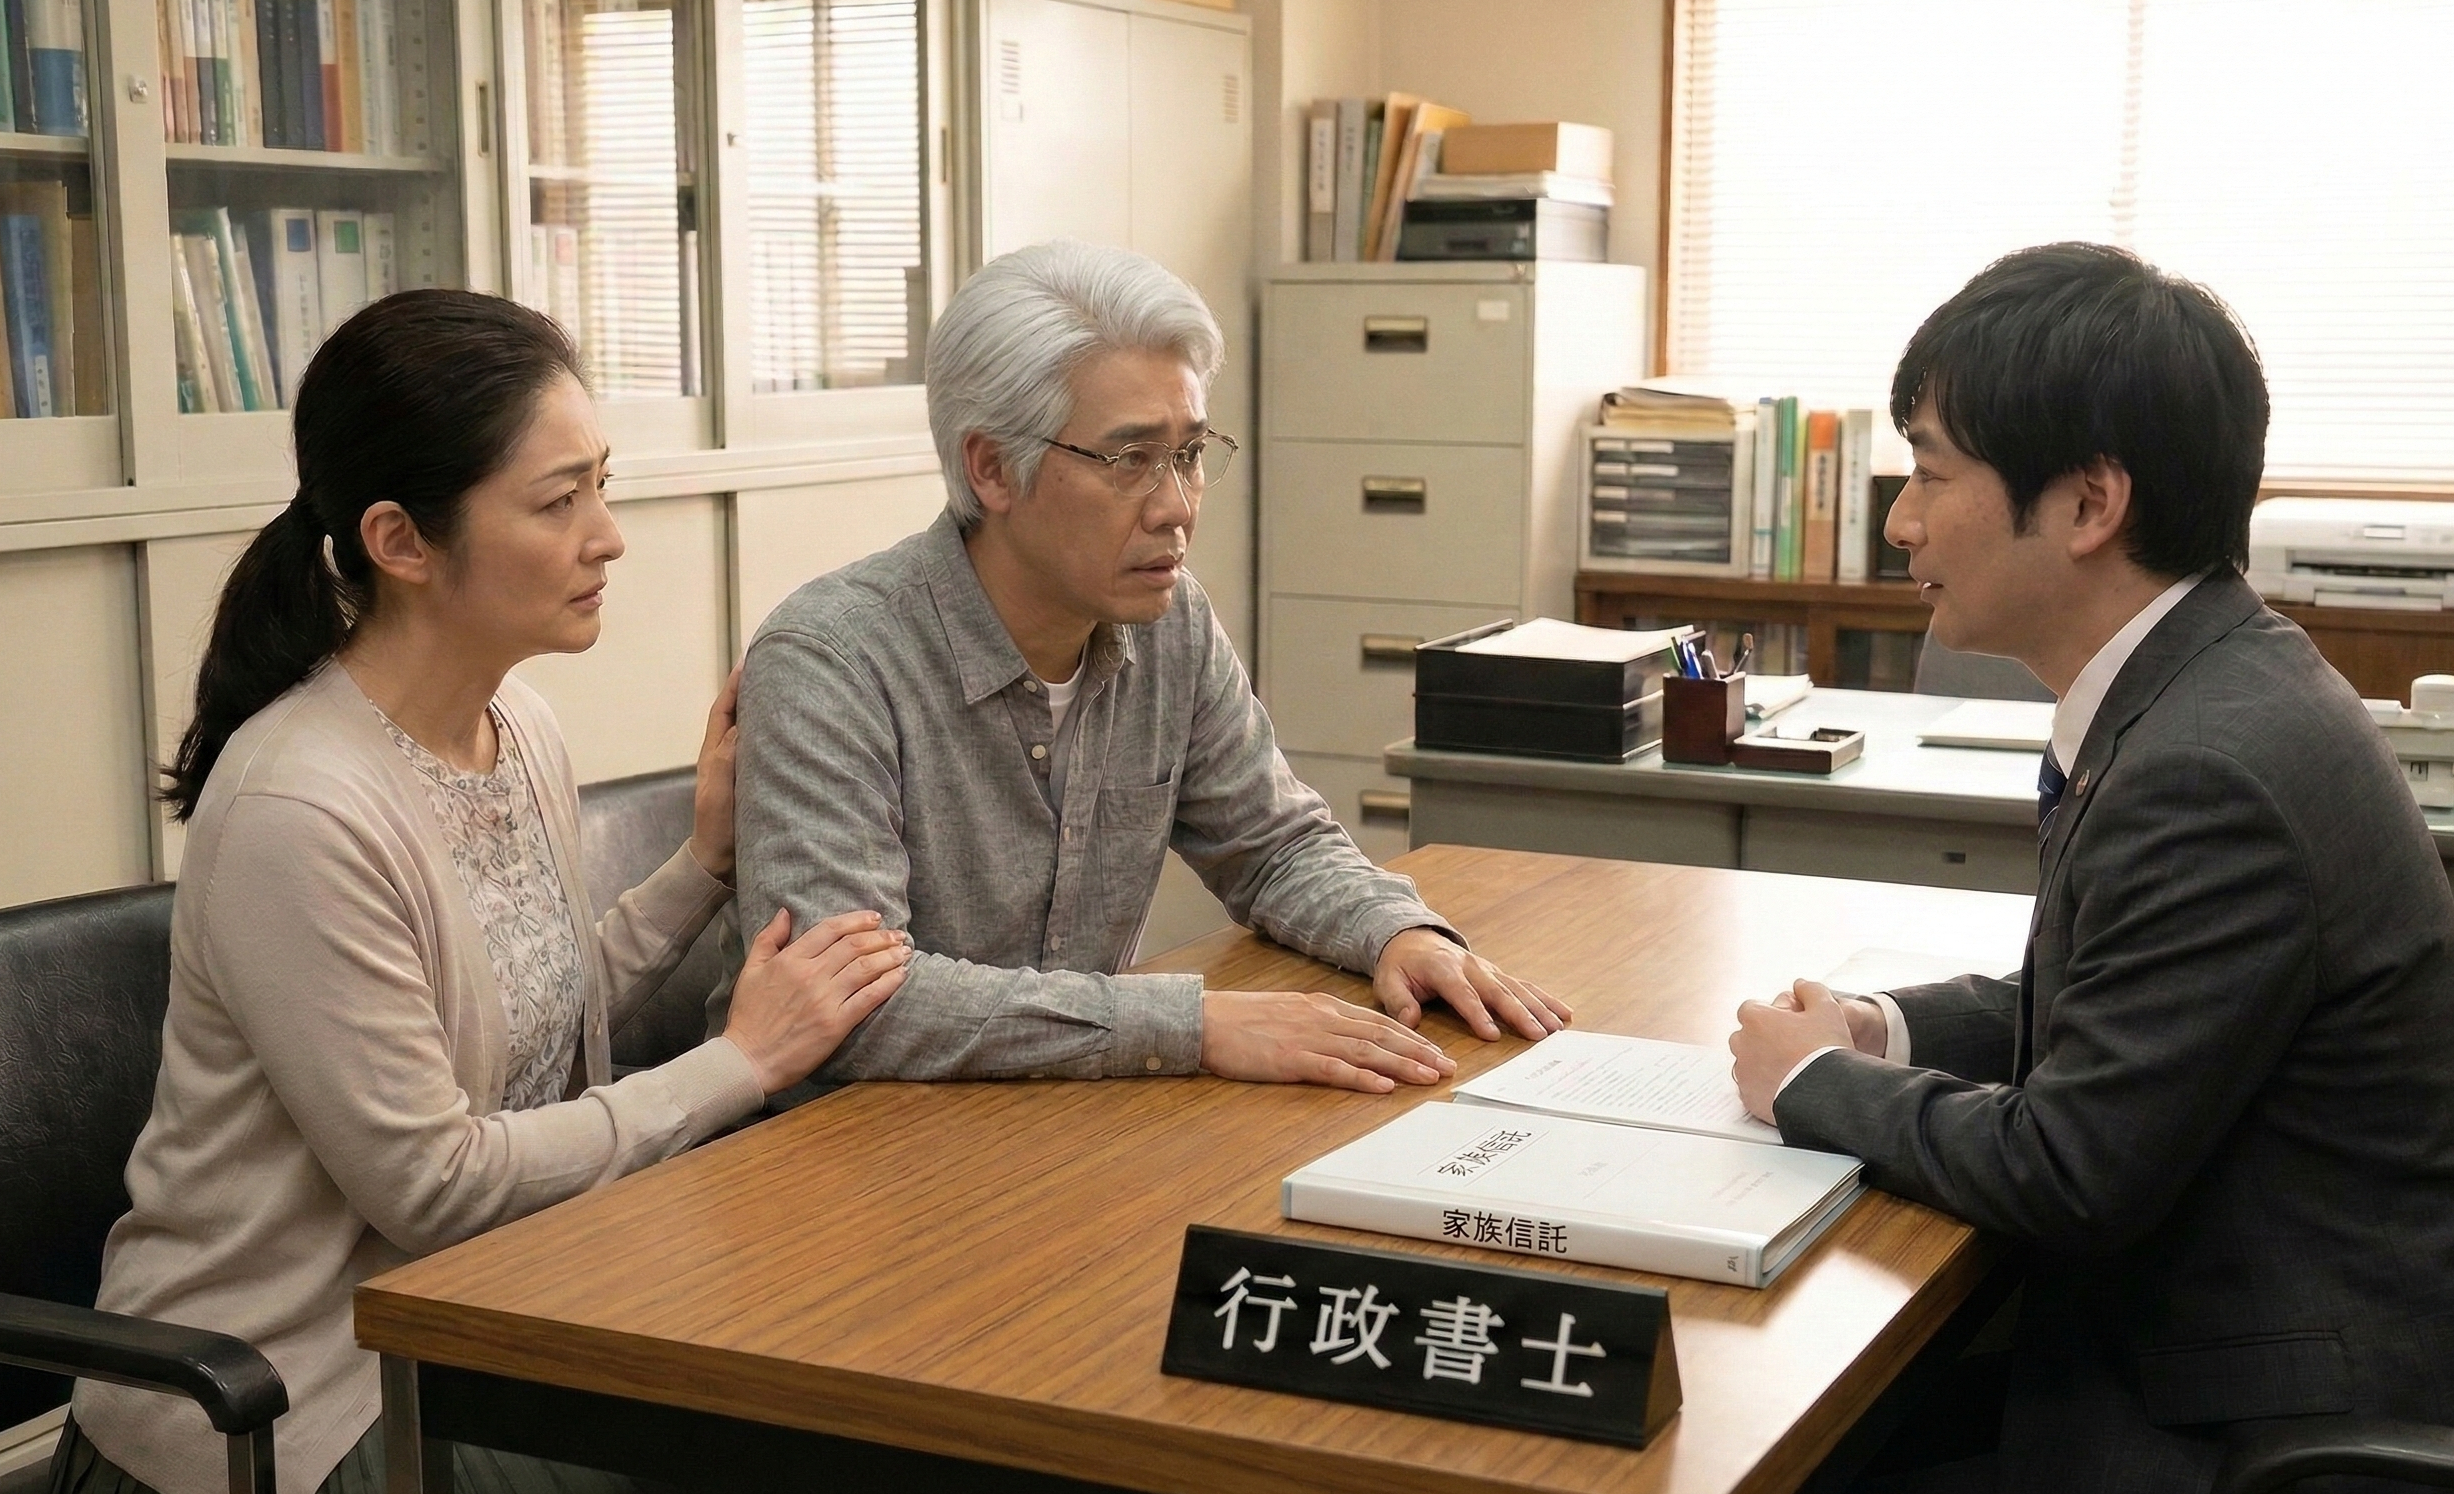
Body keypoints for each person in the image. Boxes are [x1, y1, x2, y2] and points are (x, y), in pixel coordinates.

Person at [56, 291, 911, 1494]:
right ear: (402, 541)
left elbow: (526, 1015)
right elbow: (437, 1186)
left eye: (601, 486)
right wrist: (741, 1062)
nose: (607, 537)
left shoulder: (517, 726)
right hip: (288, 1399)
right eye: (559, 503)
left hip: (478, 1320)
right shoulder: (298, 808)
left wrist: (702, 867)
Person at [1727, 243, 2454, 1492]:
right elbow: (2111, 1002)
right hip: (2209, 1338)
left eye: (1931, 472)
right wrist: (1881, 1027)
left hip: (2240, 1414)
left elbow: (2068, 1171)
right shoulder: (2211, 677)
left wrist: (1814, 1084)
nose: (1901, 521)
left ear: (2087, 505)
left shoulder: (2207, 766)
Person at [724, 240, 1567, 1091]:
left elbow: (1273, 846)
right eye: (1130, 461)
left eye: (1190, 454)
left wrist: (1398, 933)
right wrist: (1191, 1024)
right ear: (991, 469)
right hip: (850, 1145)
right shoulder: (833, 662)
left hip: (1069, 1116)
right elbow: (853, 1009)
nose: (1176, 508)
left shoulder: (1170, 623)